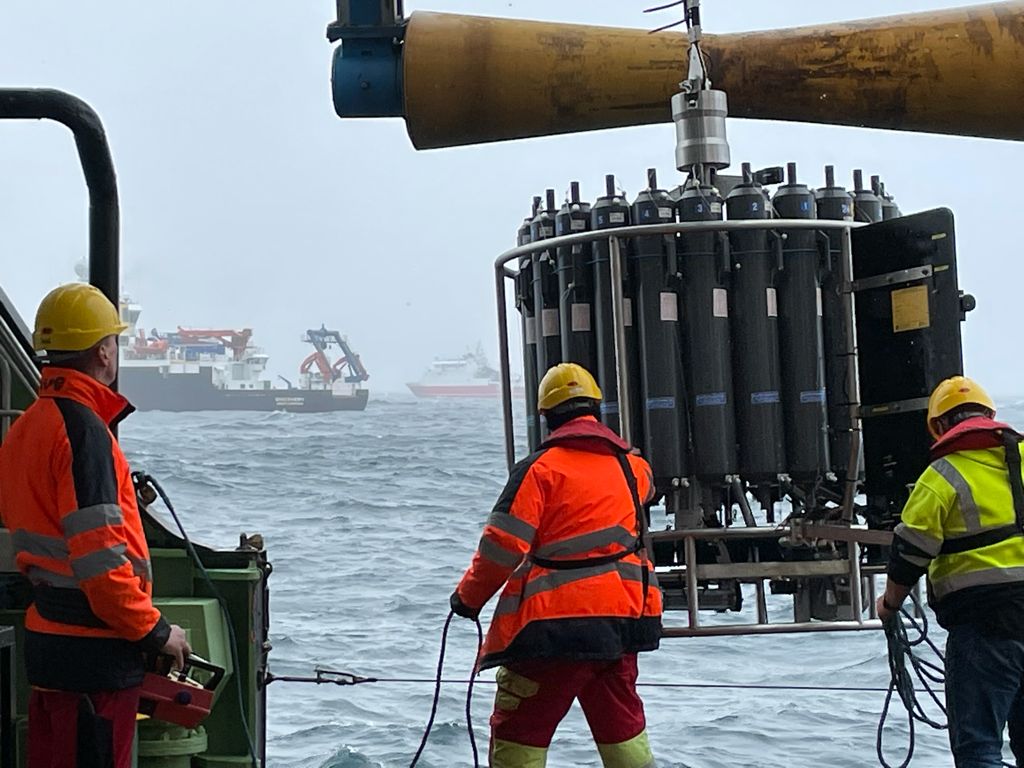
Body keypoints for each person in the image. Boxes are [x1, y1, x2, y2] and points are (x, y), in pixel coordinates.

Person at [0, 283, 190, 768]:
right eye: (114, 343)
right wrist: (157, 632)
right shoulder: (84, 432)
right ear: (104, 351)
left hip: (49, 649)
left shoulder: (26, 426)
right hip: (94, 661)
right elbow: (100, 563)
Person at [450, 362, 662, 768]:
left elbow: (501, 547)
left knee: (521, 729)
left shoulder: (539, 470)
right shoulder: (632, 468)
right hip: (620, 625)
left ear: (546, 418)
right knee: (623, 728)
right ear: (597, 412)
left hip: (553, 630)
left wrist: (467, 600)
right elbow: (647, 488)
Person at [877, 375, 1024, 768]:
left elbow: (910, 550)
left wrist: (890, 605)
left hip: (985, 627)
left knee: (978, 746)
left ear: (940, 427)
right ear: (990, 416)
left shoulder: (941, 476)